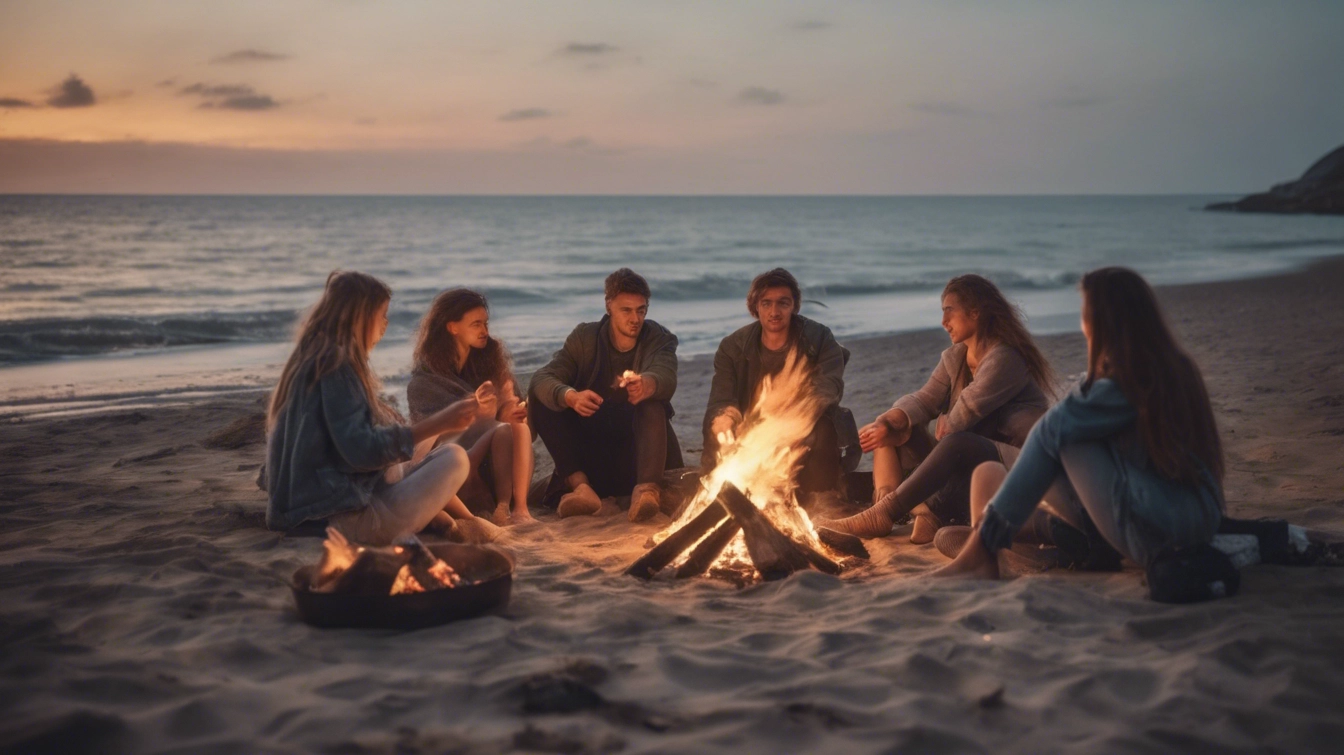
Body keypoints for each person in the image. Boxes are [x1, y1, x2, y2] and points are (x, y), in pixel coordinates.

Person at [934, 267, 1225, 588]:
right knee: (990, 471)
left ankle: (987, 544)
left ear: (1101, 321)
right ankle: (1031, 540)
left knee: (1059, 435)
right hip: (1196, 513)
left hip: (1162, 532)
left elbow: (1053, 428)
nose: (1083, 324)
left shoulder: (1130, 379)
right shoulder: (1173, 366)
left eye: (1085, 313)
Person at [263, 271, 492, 545]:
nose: (386, 323)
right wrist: (439, 423)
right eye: (382, 315)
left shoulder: (310, 360)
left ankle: (434, 516)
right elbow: (361, 451)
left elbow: (280, 469)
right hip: (335, 520)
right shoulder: (336, 366)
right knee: (454, 459)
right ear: (360, 317)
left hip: (306, 512)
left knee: (429, 453)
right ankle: (423, 519)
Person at [821, 274, 1053, 542]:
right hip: (968, 462)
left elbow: (958, 422)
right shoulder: (955, 357)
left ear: (975, 312)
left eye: (949, 311)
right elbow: (924, 400)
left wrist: (937, 422)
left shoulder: (1005, 358)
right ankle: (884, 509)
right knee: (889, 430)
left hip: (1012, 466)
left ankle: (911, 513)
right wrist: (890, 422)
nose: (943, 322)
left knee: (956, 442)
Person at [528, 268, 683, 522]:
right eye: (626, 310)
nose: (635, 319)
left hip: (639, 459)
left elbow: (665, 373)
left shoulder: (659, 338)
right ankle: (581, 489)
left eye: (641, 310)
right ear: (609, 305)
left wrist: (647, 384)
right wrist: (571, 397)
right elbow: (543, 377)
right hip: (594, 458)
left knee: (651, 403)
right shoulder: (585, 338)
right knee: (545, 397)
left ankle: (647, 493)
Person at [703, 268, 860, 495]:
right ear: (755, 306)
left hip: (803, 425)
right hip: (750, 430)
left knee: (825, 427)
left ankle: (822, 498)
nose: (774, 312)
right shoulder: (733, 347)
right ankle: (720, 490)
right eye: (766, 303)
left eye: (783, 303)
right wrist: (725, 420)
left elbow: (829, 387)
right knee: (717, 427)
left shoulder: (819, 338)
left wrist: (790, 421)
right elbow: (720, 399)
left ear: (794, 306)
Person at [406, 288, 535, 526]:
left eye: (485, 323)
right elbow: (431, 436)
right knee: (501, 429)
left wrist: (507, 411)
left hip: (497, 462)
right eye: (476, 324)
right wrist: (479, 412)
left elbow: (510, 405)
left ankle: (517, 510)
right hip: (458, 468)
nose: (484, 331)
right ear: (452, 327)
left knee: (518, 428)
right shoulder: (424, 382)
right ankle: (503, 507)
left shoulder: (491, 362)